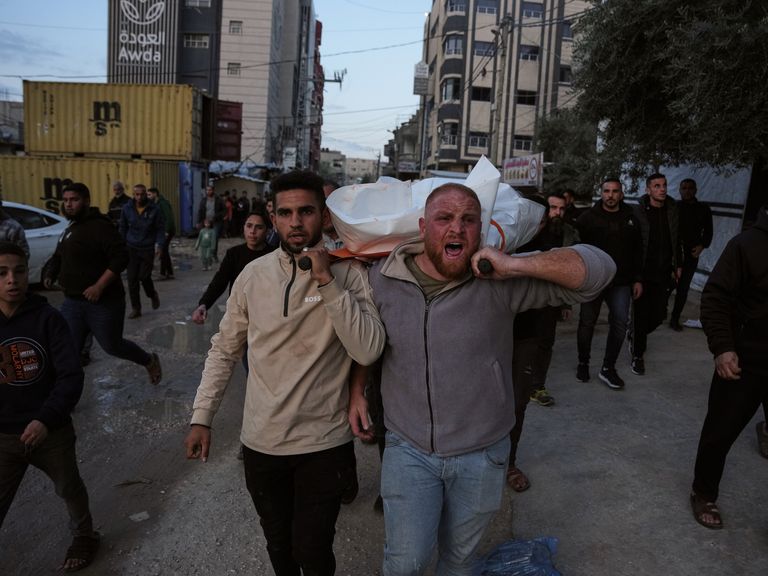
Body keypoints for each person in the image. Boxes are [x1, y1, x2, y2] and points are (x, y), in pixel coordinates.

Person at [351, 183, 615, 575]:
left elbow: (599, 271)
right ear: (424, 227)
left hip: (482, 452)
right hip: (408, 449)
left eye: (468, 220)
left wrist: (515, 265)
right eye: (445, 218)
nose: (457, 229)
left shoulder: (498, 282)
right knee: (406, 561)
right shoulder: (381, 279)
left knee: (458, 561)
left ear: (481, 230)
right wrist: (357, 390)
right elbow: (368, 342)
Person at [185, 170, 385, 576]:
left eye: (306, 211)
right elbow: (224, 350)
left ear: (323, 216)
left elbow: (368, 347)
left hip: (323, 444)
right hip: (262, 444)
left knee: (312, 551)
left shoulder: (349, 274)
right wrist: (202, 417)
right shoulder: (253, 277)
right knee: (278, 545)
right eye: (286, 213)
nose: (296, 222)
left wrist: (326, 279)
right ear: (273, 218)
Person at [0, 241, 100, 572]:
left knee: (69, 488)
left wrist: (45, 419)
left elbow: (70, 377)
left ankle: (85, 537)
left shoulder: (48, 319)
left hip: (50, 431)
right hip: (3, 436)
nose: (12, 280)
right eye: (1, 274)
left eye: (18, 271)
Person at [690, 203, 768, 530]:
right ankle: (703, 492)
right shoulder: (746, 245)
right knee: (720, 432)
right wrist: (723, 348)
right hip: (747, 358)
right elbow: (716, 298)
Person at [43, 183, 162, 384]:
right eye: (66, 200)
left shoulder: (100, 226)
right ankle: (63, 400)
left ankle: (148, 361)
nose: (69, 204)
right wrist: (50, 273)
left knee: (112, 345)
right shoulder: (70, 228)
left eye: (74, 200)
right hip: (73, 302)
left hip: (104, 302)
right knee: (69, 350)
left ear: (87, 201)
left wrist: (99, 286)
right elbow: (59, 255)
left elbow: (120, 257)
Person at [575, 178, 643, 389]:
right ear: (601, 192)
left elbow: (638, 251)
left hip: (621, 282)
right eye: (607, 191)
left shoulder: (631, 218)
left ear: (621, 194)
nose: (611, 195)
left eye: (615, 191)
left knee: (620, 323)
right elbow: (576, 250)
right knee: (587, 323)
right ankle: (583, 362)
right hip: (593, 281)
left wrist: (638, 279)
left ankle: (608, 368)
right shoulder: (587, 218)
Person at [521, 191, 579, 407]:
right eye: (554, 208)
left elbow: (569, 271)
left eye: (562, 209)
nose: (558, 213)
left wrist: (566, 302)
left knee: (546, 342)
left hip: (550, 299)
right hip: (524, 298)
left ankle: (537, 386)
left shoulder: (567, 235)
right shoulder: (529, 232)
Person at [629, 173, 682, 375]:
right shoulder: (639, 211)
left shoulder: (672, 210)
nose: (662, 189)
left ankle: (634, 332)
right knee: (641, 316)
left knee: (659, 316)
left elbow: (677, 239)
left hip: (664, 273)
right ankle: (637, 355)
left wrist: (678, 264)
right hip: (643, 273)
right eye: (657, 186)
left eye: (664, 185)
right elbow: (634, 245)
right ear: (648, 189)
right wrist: (635, 277)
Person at [669, 178, 712, 331]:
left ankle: (675, 318)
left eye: (690, 188)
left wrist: (702, 246)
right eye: (684, 188)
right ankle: (659, 312)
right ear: (680, 190)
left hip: (691, 254)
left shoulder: (703, 209)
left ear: (695, 190)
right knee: (667, 285)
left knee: (683, 288)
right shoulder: (674, 207)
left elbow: (708, 232)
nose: (687, 191)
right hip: (673, 252)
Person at [119, 183, 165, 319]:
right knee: (132, 279)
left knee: (144, 276)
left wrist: (160, 245)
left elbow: (160, 229)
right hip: (131, 247)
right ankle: (136, 308)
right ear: (133, 195)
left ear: (146, 194)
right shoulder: (127, 208)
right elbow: (122, 227)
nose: (139, 197)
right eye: (137, 194)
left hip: (147, 248)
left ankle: (152, 294)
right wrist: (121, 245)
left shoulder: (154, 209)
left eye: (142, 194)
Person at [147, 187, 176, 280]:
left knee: (162, 251)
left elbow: (169, 218)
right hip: (162, 231)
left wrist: (167, 231)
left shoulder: (163, 203)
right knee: (165, 251)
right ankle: (170, 273)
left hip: (167, 231)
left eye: (149, 194)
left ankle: (163, 273)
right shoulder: (155, 204)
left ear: (155, 194)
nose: (148, 196)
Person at [197, 185, 225, 261]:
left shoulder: (219, 200)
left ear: (213, 190)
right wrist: (199, 222)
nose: (208, 191)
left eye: (210, 190)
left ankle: (214, 254)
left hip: (216, 221)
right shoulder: (203, 200)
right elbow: (200, 211)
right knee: (206, 238)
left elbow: (223, 211)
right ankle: (207, 254)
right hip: (206, 222)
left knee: (214, 238)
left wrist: (216, 216)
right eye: (207, 190)